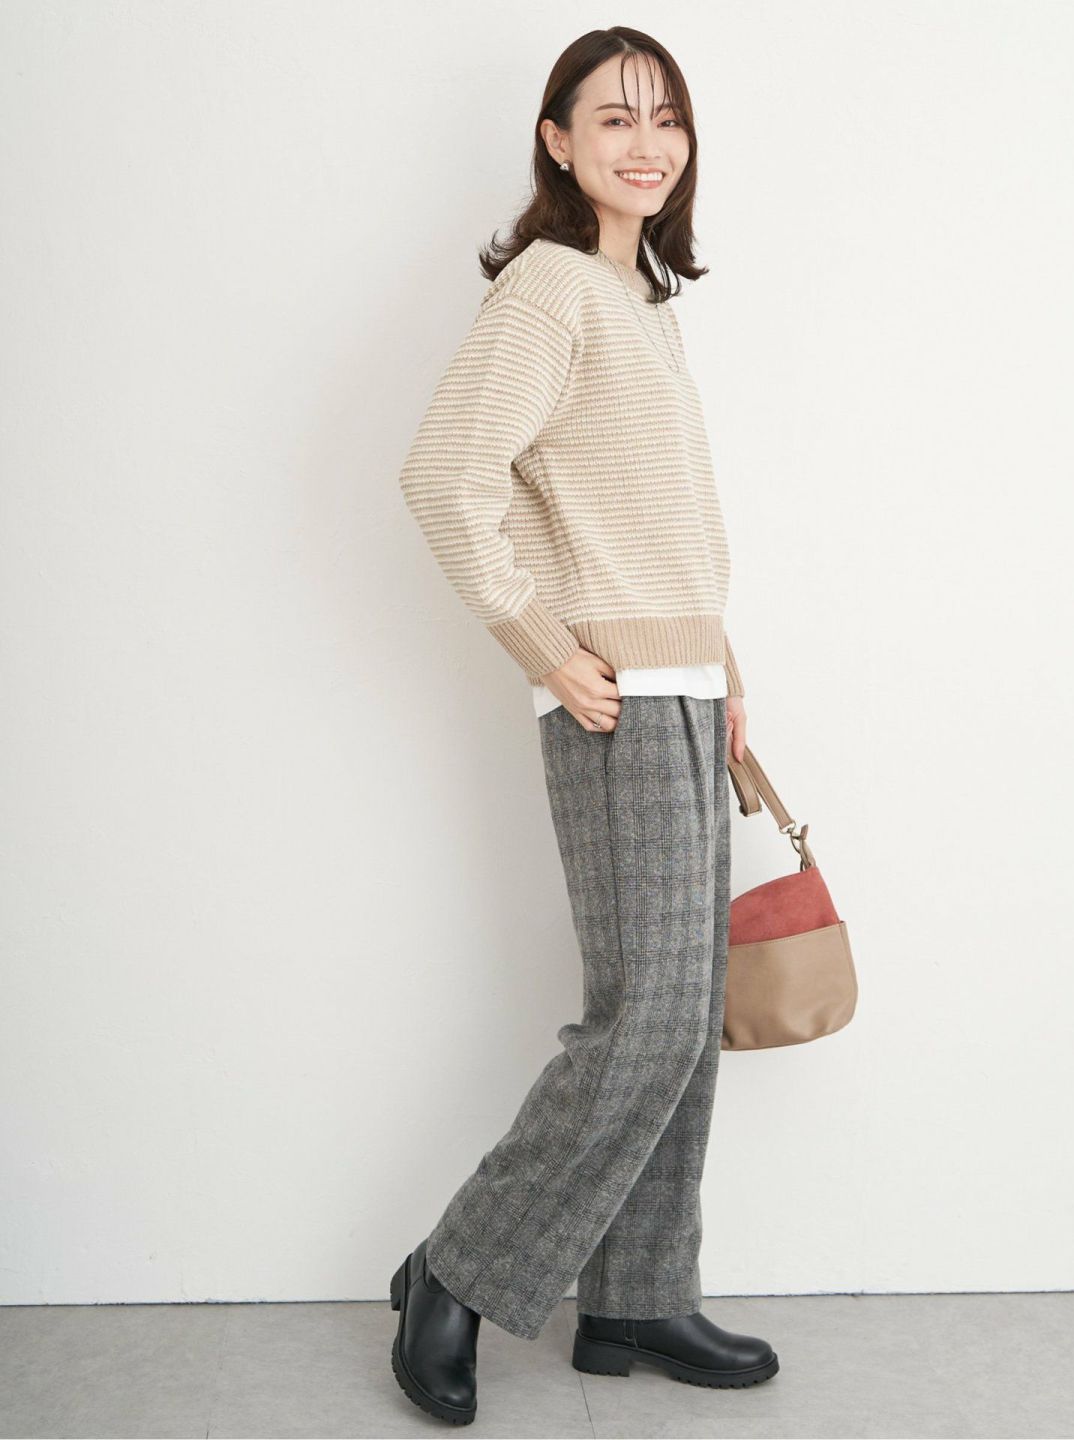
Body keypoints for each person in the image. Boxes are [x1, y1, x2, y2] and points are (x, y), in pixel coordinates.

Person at [389, 26, 777, 1426]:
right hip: (610, 702)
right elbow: (444, 474)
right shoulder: (550, 287)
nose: (646, 143)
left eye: (666, 118)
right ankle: (454, 1270)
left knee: (678, 1020)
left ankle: (637, 1296)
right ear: (557, 141)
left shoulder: (641, 302)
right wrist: (543, 645)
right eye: (614, 118)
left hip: (684, 694)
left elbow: (656, 524)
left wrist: (724, 667)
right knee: (648, 1017)